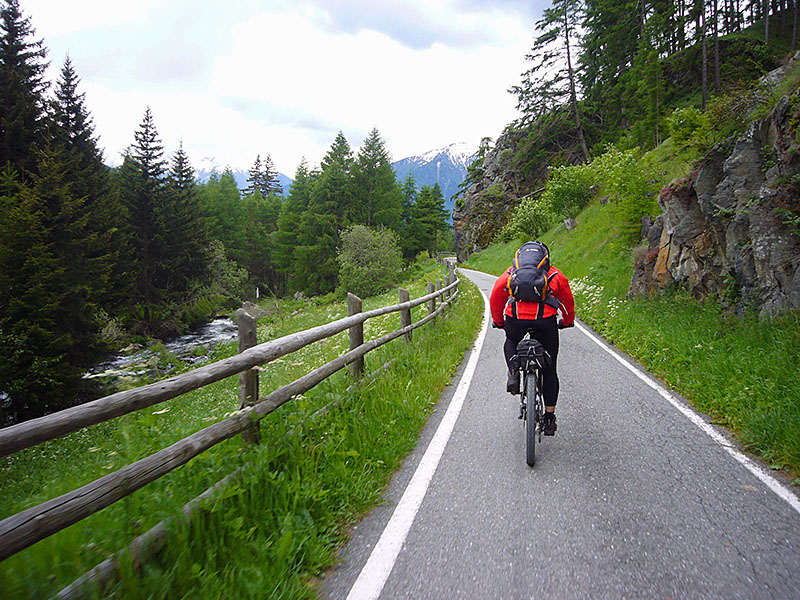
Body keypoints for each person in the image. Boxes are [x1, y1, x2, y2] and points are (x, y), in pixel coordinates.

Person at [489, 241, 575, 435]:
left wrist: (499, 321)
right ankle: (550, 417)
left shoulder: (512, 272)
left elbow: (496, 293)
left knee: (511, 341)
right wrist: (567, 321)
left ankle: (513, 371)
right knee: (550, 369)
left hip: (515, 319)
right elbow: (567, 300)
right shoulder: (553, 274)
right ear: (545, 258)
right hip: (545, 322)